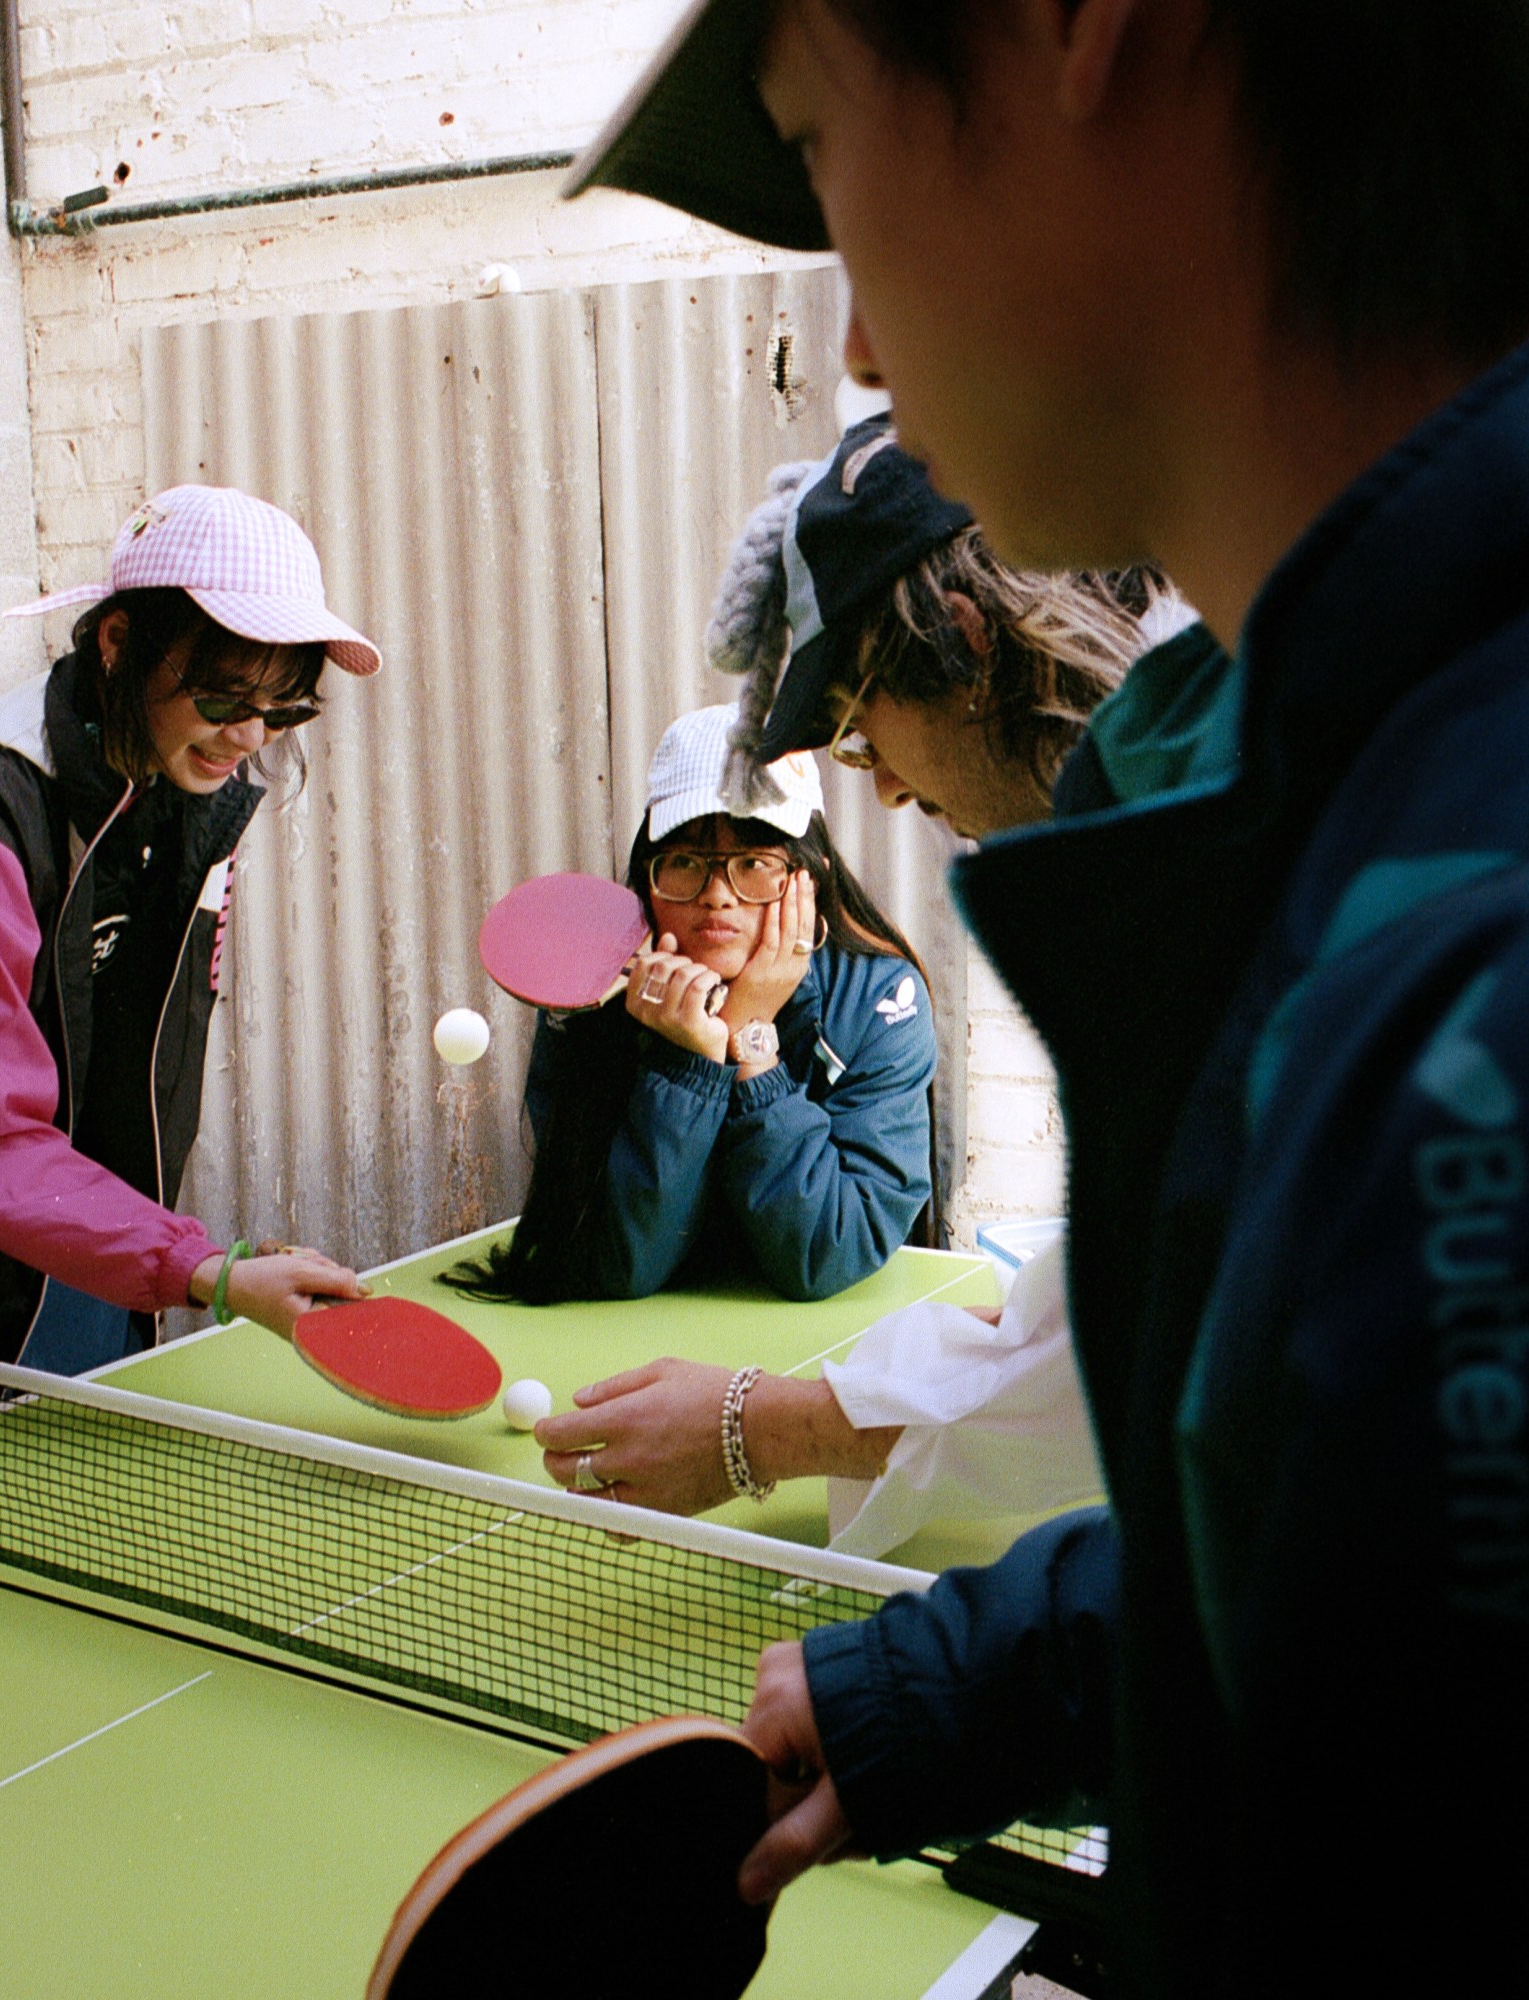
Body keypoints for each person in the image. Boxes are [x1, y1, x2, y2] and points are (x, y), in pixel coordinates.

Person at [568, 3, 1529, 1993]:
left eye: (821, 140)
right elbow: (1309, 1548)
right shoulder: (1349, 815)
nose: (846, 341)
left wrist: (766, 1424)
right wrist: (963, 1682)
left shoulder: (1465, 962)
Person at [537, 418, 1175, 1537]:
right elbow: (1144, 1306)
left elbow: (1155, 1348)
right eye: (687, 857)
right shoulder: (1169, 823)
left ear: (966, 643)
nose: (878, 788)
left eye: (857, 729)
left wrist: (759, 1427)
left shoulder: (1226, 840)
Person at [0, 484, 376, 1383]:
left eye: (282, 708)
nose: (248, 736)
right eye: (222, 696)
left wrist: (166, 1253)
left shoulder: (179, 800)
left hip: (91, 1267)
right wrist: (201, 1269)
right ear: (118, 641)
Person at [457, 701, 936, 1325]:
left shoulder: (879, 1002)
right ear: (647, 877)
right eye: (684, 862)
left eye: (755, 863)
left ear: (809, 874)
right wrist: (690, 1067)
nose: (717, 895)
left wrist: (748, 1044)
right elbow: (616, 1263)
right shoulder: (593, 996)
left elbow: (829, 1251)